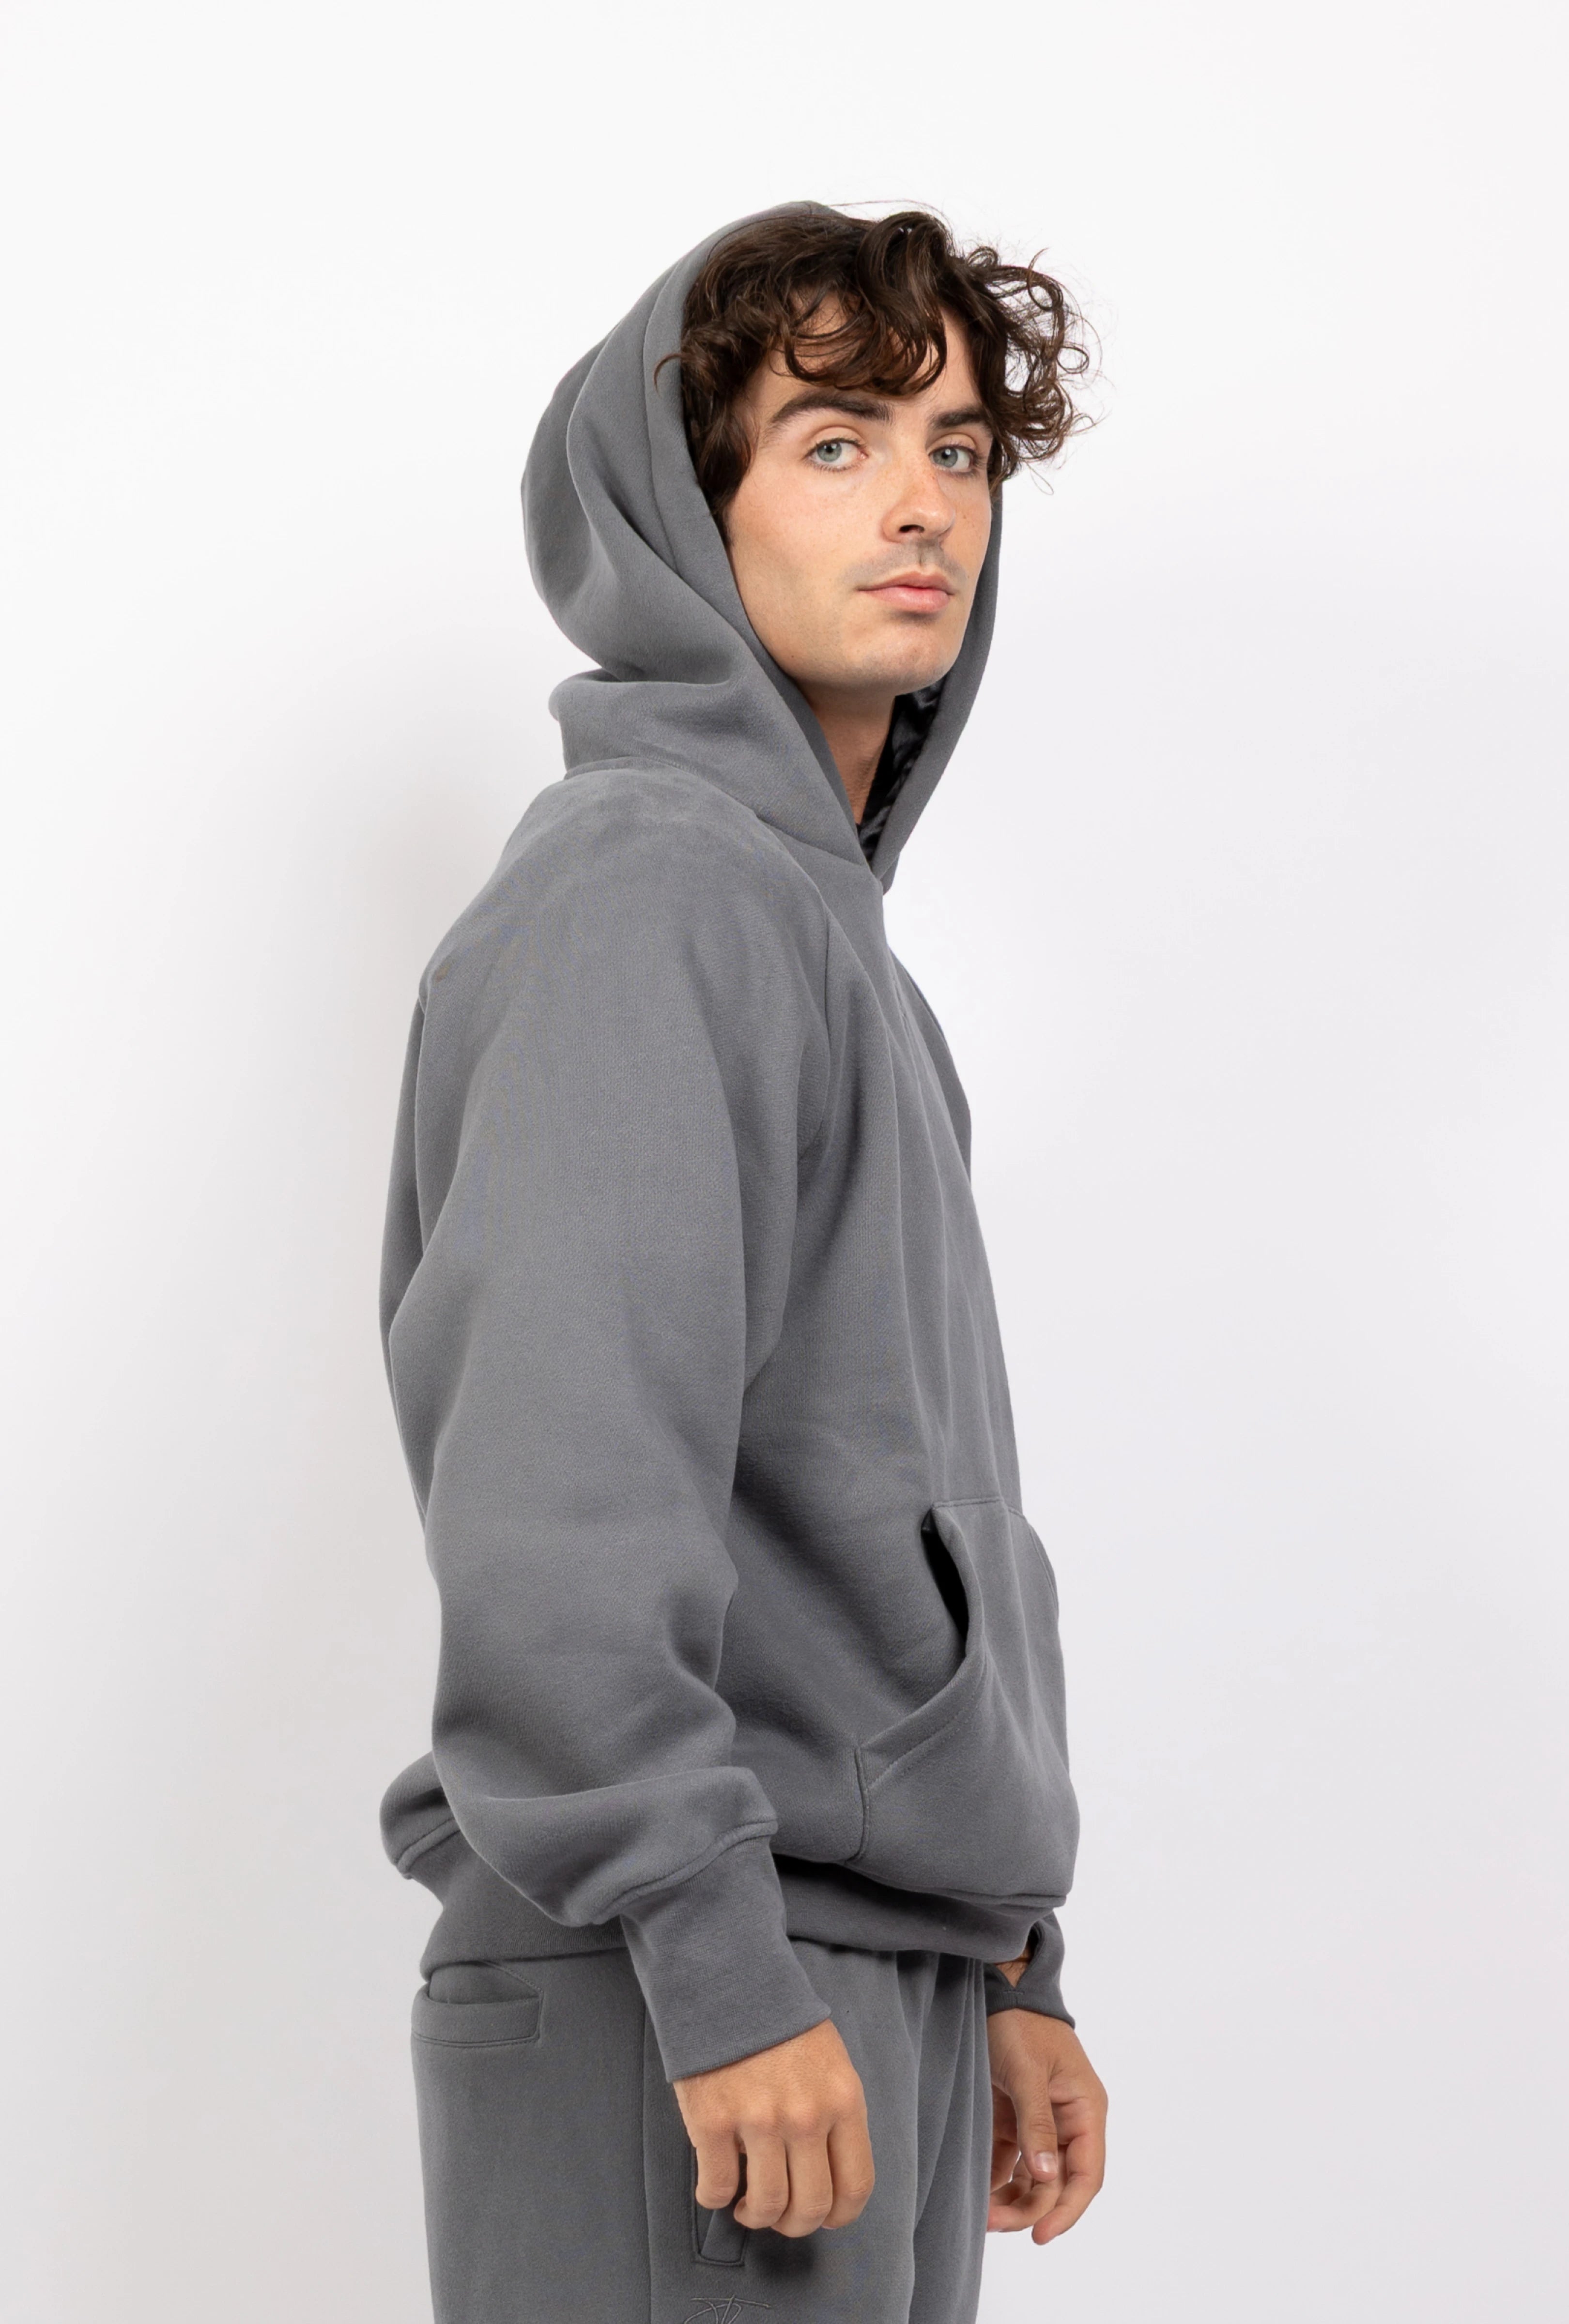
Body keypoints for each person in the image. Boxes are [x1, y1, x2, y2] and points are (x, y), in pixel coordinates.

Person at [377, 202, 1108, 2324]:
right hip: (688, 1979)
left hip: (858, 1964)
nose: (922, 503)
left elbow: (890, 1499)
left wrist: (1006, 1960)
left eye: (959, 449)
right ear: (682, 512)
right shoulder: (646, 897)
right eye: (834, 441)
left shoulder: (827, 944)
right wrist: (713, 1955)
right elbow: (564, 1480)